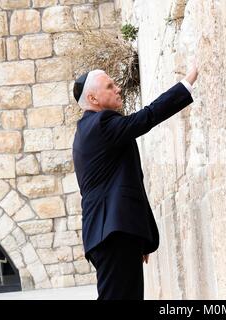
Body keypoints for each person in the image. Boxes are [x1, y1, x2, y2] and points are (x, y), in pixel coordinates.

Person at [72, 63, 198, 300]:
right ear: (93, 98)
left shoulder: (88, 129)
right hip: (113, 233)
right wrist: (187, 83)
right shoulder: (101, 124)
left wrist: (138, 237)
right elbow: (147, 117)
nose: (118, 88)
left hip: (114, 233)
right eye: (110, 86)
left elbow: (124, 183)